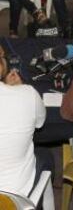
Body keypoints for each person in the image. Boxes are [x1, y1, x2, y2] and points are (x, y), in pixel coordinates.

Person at [0, 45, 54, 196]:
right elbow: (40, 122)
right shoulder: (28, 93)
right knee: (46, 155)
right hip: (14, 196)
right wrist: (19, 89)